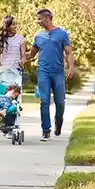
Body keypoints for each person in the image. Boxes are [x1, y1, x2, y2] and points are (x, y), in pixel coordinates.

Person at [26, 9, 74, 141]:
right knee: (44, 101)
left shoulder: (62, 34)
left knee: (60, 102)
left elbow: (68, 52)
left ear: (47, 18)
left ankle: (58, 123)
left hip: (58, 72)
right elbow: (31, 54)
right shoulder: (38, 36)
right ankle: (46, 130)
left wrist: (70, 67)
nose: (38, 21)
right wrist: (15, 57)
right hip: (43, 71)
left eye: (39, 19)